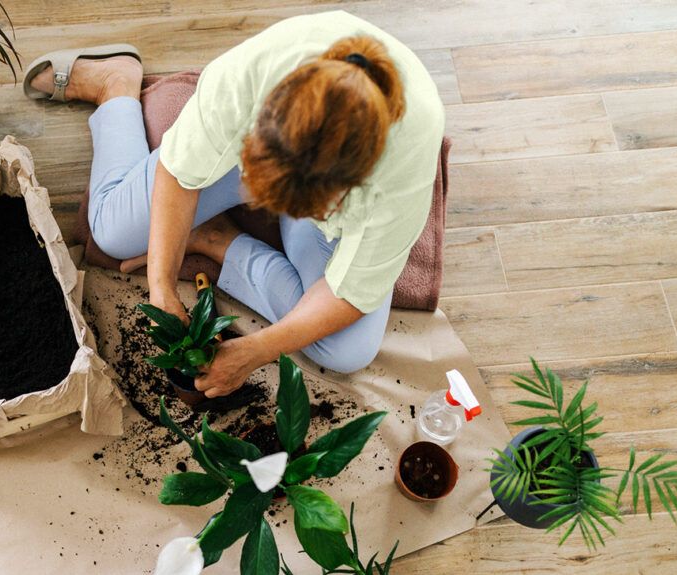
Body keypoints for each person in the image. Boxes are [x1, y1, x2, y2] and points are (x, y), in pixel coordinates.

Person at [23, 10, 445, 399]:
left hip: (342, 185)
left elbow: (348, 296)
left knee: (347, 349)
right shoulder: (244, 81)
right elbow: (180, 174)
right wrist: (162, 287)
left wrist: (253, 352)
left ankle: (214, 238)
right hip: (275, 157)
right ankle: (115, 84)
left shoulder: (402, 171)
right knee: (112, 233)